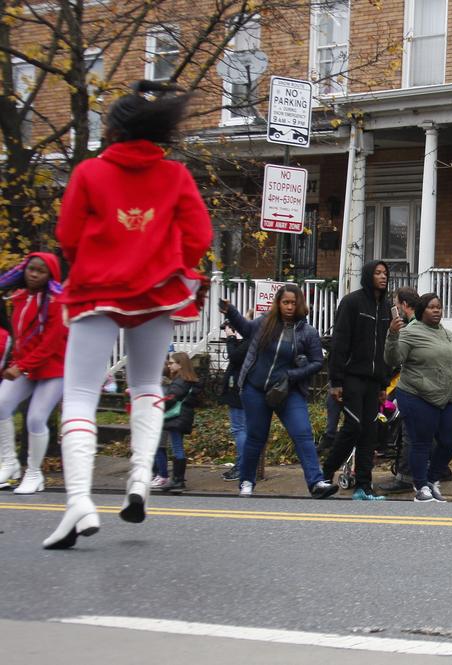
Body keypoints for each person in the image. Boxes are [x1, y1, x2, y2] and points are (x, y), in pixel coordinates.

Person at [45, 80, 213, 549]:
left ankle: (79, 499)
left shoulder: (89, 173)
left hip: (97, 290)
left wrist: (100, 256)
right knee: (146, 386)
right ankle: (139, 479)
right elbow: (200, 235)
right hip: (157, 293)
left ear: (115, 128)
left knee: (79, 394)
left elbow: (68, 235)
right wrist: (165, 257)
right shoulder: (176, 176)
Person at [220, 286, 335, 500]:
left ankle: (316, 482)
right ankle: (246, 481)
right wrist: (230, 311)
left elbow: (318, 362)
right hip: (255, 389)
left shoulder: (307, 332)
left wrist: (294, 373)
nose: (290, 307)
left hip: (287, 391)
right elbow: (245, 329)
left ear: (300, 304)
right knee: (256, 436)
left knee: (303, 434)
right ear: (278, 303)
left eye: (293, 303)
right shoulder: (265, 323)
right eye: (285, 302)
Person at [385, 292, 452, 502]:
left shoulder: (448, 335)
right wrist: (392, 335)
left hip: (445, 397)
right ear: (421, 310)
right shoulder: (410, 332)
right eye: (431, 307)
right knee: (421, 442)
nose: (436, 310)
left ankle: (431, 480)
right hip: (417, 395)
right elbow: (392, 359)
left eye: (439, 307)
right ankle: (420, 487)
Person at [323, 260, 393, 501]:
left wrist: (384, 384)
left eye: (385, 273)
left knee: (369, 433)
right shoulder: (352, 302)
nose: (383, 277)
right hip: (351, 377)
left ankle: (364, 486)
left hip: (374, 382)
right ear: (368, 275)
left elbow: (384, 348)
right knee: (353, 427)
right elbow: (339, 342)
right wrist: (336, 381)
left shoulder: (385, 308)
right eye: (378, 272)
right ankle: (325, 473)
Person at [0, 252, 68, 494]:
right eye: (31, 269)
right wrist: (17, 362)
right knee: (0, 406)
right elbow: (20, 337)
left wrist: (21, 366)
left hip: (53, 368)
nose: (35, 273)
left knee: (36, 418)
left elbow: (49, 344)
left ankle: (34, 473)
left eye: (41, 271)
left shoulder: (58, 302)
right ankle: (9, 464)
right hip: (26, 366)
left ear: (51, 275)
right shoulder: (19, 298)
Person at [377, 286, 425, 494]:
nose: (395, 309)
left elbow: (395, 359)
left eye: (396, 305)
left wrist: (393, 333)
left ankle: (405, 477)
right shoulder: (426, 325)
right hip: (430, 387)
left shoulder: (409, 330)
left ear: (404, 306)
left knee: (408, 433)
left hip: (414, 388)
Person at [155, 352, 201, 492]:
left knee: (177, 448)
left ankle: (178, 480)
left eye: (171, 363)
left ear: (180, 364)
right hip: (183, 416)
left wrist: (158, 406)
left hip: (176, 417)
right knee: (177, 447)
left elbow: (172, 398)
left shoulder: (181, 380)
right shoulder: (190, 380)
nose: (169, 365)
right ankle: (177, 479)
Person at [218, 320, 250, 481]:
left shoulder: (250, 340)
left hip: (239, 391)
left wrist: (230, 337)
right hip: (242, 390)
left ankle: (242, 467)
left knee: (239, 429)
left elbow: (235, 357)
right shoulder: (250, 340)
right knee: (243, 429)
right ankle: (244, 466)